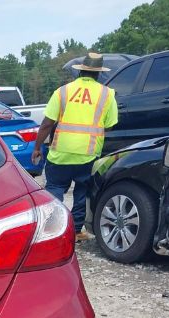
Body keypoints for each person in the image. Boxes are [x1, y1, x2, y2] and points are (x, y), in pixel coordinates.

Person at [32, 52, 118, 241]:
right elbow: (110, 124)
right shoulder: (107, 94)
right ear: (98, 73)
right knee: (82, 191)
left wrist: (37, 147)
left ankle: (52, 230)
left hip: (60, 153)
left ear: (80, 72)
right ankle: (77, 231)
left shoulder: (63, 91)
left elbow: (47, 123)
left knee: (55, 188)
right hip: (88, 154)